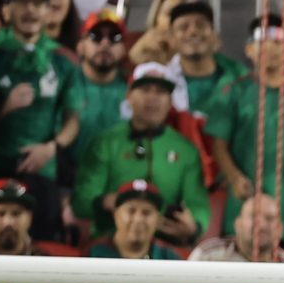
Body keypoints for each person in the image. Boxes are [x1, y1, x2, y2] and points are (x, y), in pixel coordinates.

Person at [204, 14, 284, 250]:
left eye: (277, 43)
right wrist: (234, 177)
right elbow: (218, 144)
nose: (270, 49)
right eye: (262, 42)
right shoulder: (235, 92)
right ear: (249, 49)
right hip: (245, 205)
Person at [73, 61, 209, 246]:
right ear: (129, 95)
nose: (152, 98)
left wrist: (194, 226)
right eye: (145, 89)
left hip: (165, 245)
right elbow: (82, 201)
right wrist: (105, 202)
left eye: (161, 92)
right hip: (110, 242)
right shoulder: (105, 143)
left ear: (171, 100)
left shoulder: (186, 150)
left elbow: (198, 203)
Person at [0, 0, 79, 236]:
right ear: (6, 10)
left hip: (42, 170)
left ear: (48, 11)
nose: (30, 10)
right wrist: (4, 107)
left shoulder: (64, 60)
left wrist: (51, 148)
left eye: (37, 3)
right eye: (22, 2)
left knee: (44, 251)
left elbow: (73, 119)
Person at [63, 11, 127, 173]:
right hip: (69, 175)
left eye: (115, 37)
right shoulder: (63, 84)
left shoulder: (134, 89)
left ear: (124, 49)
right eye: (96, 36)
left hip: (118, 175)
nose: (105, 44)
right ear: (81, 46)